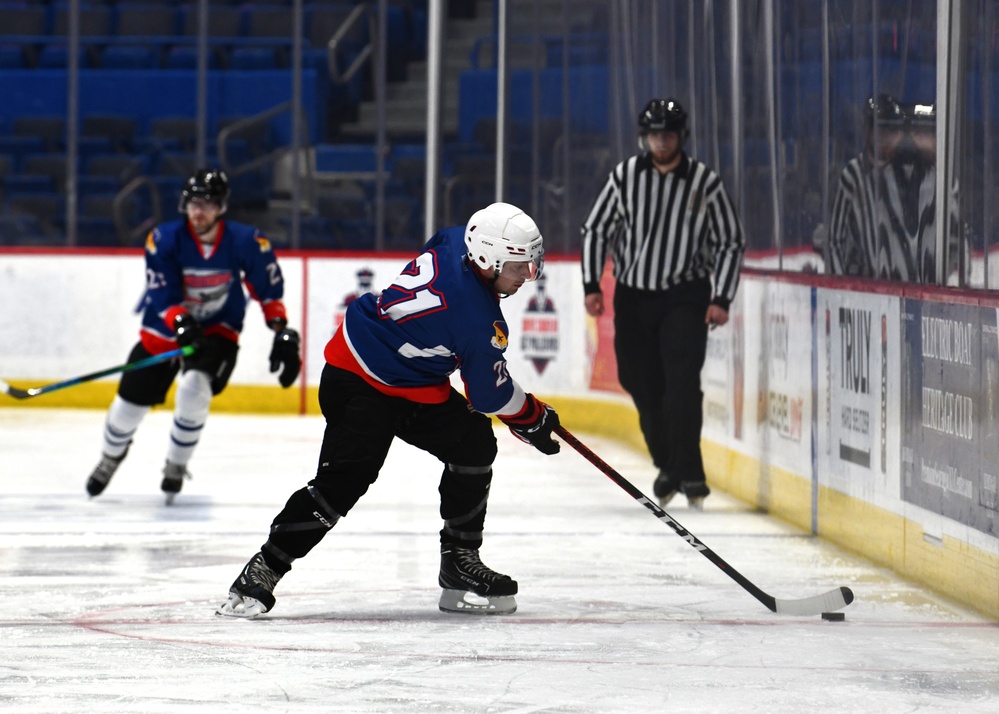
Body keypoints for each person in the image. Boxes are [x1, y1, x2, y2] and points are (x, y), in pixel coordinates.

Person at [216, 202, 560, 619]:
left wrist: (523, 416)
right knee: (344, 482)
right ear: (486, 259)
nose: (527, 275)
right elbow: (489, 396)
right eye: (519, 265)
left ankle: (459, 565)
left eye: (531, 264)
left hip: (413, 383)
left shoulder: (455, 240)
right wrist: (533, 417)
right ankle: (263, 569)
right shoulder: (477, 318)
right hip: (357, 381)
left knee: (472, 444)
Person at [85, 169, 301, 504]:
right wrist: (181, 321)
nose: (199, 211)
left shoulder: (247, 241)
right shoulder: (165, 239)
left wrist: (281, 330)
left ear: (222, 207)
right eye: (193, 203)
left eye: (208, 204)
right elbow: (162, 292)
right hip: (165, 329)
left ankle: (176, 464)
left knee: (194, 387)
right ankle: (112, 455)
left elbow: (268, 291)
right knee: (127, 406)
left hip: (218, 329)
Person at [581, 98, 745, 510]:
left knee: (682, 385)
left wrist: (722, 296)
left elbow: (729, 241)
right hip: (634, 296)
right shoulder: (625, 177)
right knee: (640, 382)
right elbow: (596, 229)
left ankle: (690, 475)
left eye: (668, 134)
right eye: (655, 134)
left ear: (681, 136)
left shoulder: (705, 182)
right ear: (644, 137)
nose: (661, 141)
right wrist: (591, 284)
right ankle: (669, 464)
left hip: (685, 295)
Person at [827, 94, 965, 283]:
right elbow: (834, 241)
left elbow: (957, 241)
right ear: (868, 131)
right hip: (865, 292)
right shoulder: (854, 176)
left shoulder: (939, 180)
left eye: (892, 130)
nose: (885, 137)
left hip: (922, 294)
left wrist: (946, 283)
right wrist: (841, 288)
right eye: (880, 129)